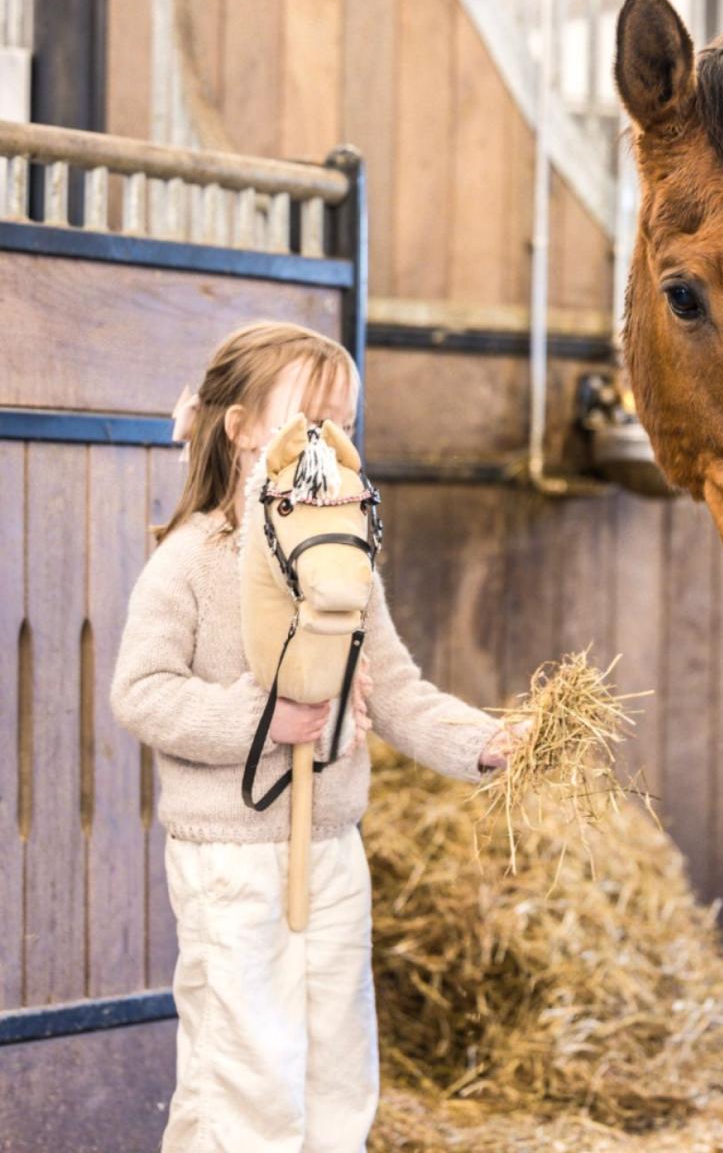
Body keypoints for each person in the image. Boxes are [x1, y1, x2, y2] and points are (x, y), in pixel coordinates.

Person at [110, 320, 519, 1153]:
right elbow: (142, 693)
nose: (329, 442)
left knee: (336, 1058)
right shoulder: (189, 562)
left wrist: (480, 743)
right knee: (245, 1067)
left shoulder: (338, 558)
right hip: (235, 857)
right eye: (311, 420)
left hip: (330, 842)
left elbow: (394, 683)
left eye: (344, 424)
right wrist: (267, 721)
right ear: (243, 430)